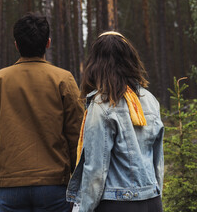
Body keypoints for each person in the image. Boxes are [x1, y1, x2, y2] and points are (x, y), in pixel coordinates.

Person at [0, 12, 84, 212]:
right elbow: (78, 137)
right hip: (54, 187)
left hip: (9, 188)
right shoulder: (63, 80)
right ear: (48, 43)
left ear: (16, 45)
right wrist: (80, 188)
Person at [67, 31, 164, 212]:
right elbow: (158, 160)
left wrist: (84, 208)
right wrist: (155, 193)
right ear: (130, 60)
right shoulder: (150, 100)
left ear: (96, 64)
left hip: (116, 204)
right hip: (152, 200)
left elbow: (95, 170)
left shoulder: (101, 105)